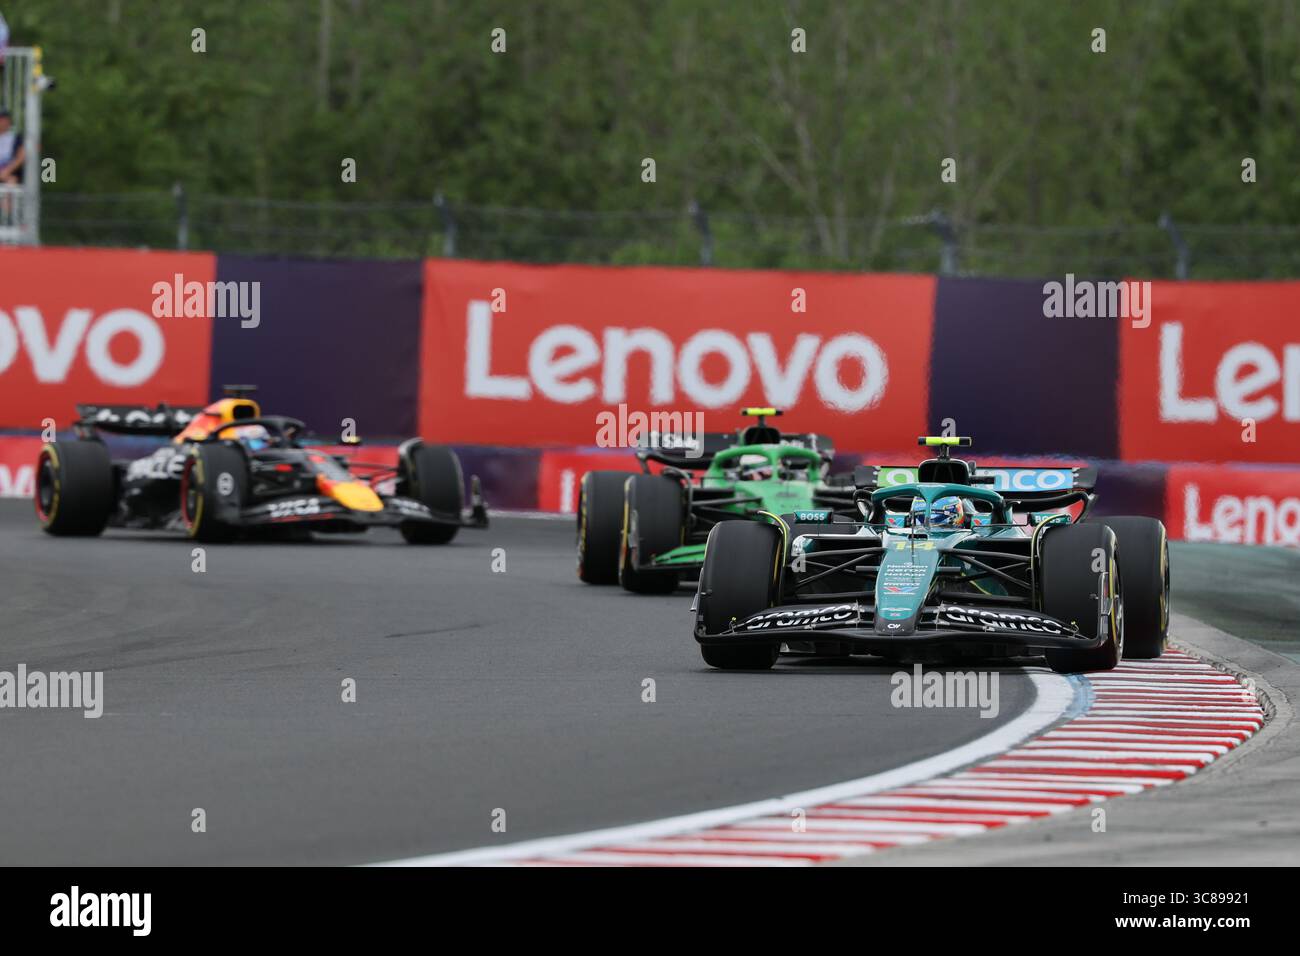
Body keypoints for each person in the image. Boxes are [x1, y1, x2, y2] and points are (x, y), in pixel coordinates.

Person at [0, 108, 24, 187]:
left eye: (3, 119)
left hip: (8, 172)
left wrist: (7, 171)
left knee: (11, 182)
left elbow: (21, 156)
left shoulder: (16, 138)